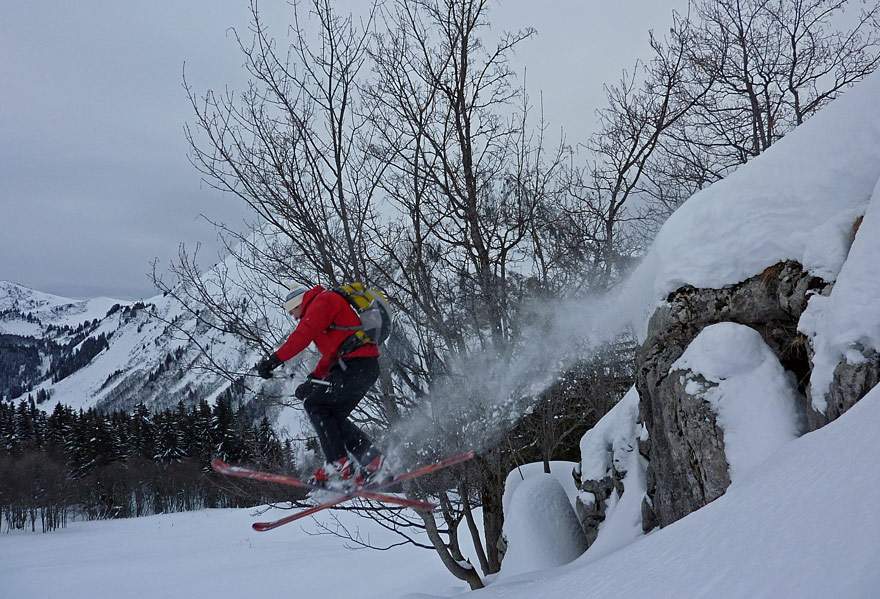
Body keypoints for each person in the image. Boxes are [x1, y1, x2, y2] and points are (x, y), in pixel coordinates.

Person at [255, 283, 386, 487]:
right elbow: (332, 355)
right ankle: (373, 462)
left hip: (356, 365)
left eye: (293, 311)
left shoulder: (322, 301)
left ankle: (338, 465)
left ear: (300, 303)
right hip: (362, 366)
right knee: (333, 416)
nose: (294, 317)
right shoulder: (323, 310)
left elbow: (301, 336)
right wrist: (313, 379)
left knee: (316, 406)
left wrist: (274, 360)